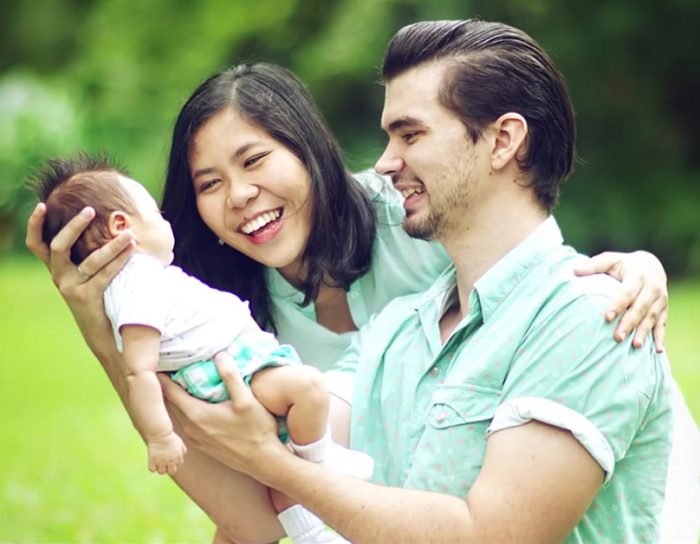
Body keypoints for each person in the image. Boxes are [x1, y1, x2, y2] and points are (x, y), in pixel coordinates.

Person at [23, 60, 695, 542]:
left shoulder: (410, 214)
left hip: (584, 486)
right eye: (209, 183)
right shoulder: (221, 305)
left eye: (255, 161)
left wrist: (636, 269)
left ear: (311, 151)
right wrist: (103, 321)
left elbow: (535, 278)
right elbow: (251, 507)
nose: (238, 197)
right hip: (392, 504)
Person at [29, 154, 372, 544]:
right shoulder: (138, 280)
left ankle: (311, 523)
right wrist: (159, 436)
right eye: (155, 214)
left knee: (247, 513)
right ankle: (320, 465)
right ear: (122, 227)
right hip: (231, 371)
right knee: (307, 389)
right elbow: (139, 369)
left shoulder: (137, 283)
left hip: (235, 365)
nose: (166, 221)